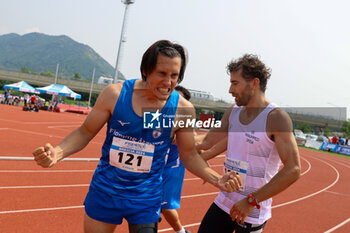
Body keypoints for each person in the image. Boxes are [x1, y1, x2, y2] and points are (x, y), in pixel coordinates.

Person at [33, 40, 241, 233]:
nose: (168, 82)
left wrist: (217, 179)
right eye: (162, 73)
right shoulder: (114, 95)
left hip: (146, 197)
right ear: (145, 71)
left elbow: (189, 155)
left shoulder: (183, 110)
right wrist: (57, 152)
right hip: (106, 191)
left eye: (174, 76)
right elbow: (84, 132)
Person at [197, 54, 301, 233]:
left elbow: (293, 169)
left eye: (235, 83)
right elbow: (207, 140)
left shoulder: (276, 118)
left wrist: (251, 200)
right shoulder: (234, 111)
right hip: (224, 200)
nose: (230, 90)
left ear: (254, 83)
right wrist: (174, 136)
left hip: (251, 209)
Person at [161, 85, 192, 233]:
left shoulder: (184, 120)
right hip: (158, 164)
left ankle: (181, 231)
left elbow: (195, 143)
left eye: (178, 98)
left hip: (173, 167)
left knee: (166, 206)